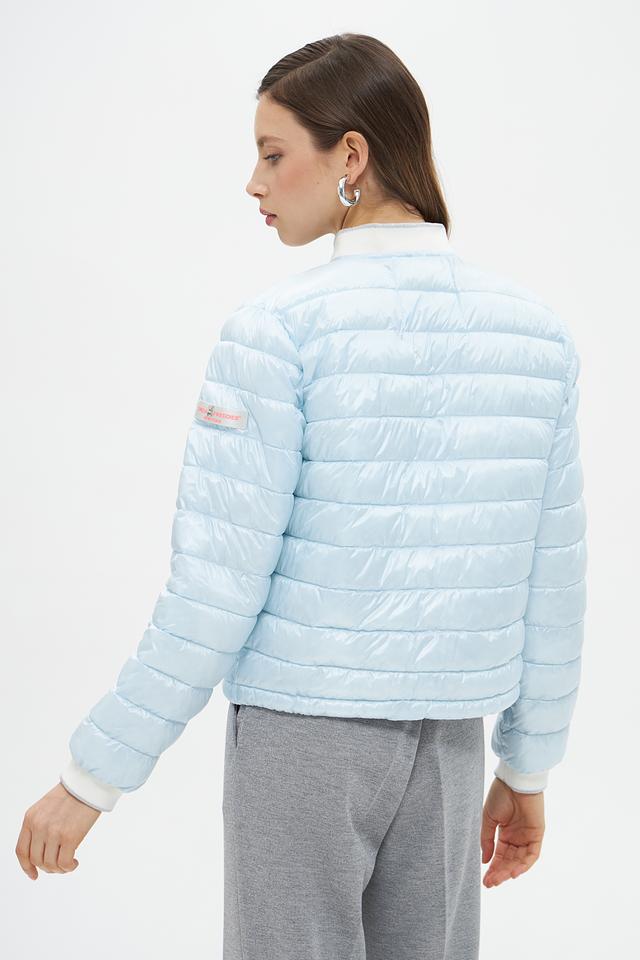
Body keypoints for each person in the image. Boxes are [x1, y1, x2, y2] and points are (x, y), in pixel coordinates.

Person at [16, 32, 586, 960]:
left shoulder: (275, 335)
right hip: (451, 744)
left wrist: (91, 778)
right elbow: (553, 584)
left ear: (350, 155)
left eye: (273, 153)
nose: (254, 182)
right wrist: (528, 767)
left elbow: (214, 589)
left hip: (302, 742)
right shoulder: (537, 339)